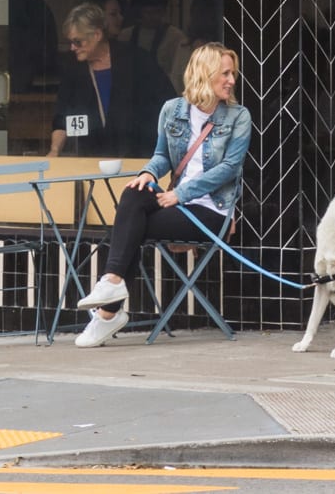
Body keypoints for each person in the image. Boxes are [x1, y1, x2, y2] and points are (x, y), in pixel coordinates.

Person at [71, 42, 252, 348]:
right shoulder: (172, 110)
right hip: (175, 204)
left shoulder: (238, 116)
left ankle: (108, 311)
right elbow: (162, 156)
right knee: (133, 193)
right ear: (204, 74)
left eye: (232, 73)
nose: (232, 80)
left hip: (212, 211)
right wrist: (148, 173)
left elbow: (229, 169)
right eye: (225, 73)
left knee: (133, 225)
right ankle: (112, 286)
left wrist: (181, 194)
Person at [53, 1, 174, 158]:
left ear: (97, 35)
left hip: (137, 156)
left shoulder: (136, 60)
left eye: (78, 41)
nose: (72, 48)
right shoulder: (74, 68)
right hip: (88, 158)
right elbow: (62, 115)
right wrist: (54, 150)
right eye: (71, 42)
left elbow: (168, 104)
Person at [122, 0, 189, 89]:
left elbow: (178, 77)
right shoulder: (125, 35)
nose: (154, 17)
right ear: (138, 12)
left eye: (158, 12)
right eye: (148, 13)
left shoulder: (176, 37)